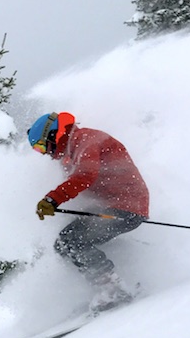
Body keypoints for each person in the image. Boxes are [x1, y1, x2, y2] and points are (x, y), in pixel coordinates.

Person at [28, 111, 149, 312]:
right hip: (115, 206)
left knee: (72, 240)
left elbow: (85, 175)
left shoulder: (85, 140)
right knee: (63, 243)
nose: (46, 154)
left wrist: (53, 199)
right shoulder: (71, 152)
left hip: (125, 206)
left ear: (53, 134)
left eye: (42, 147)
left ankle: (112, 289)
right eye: (39, 151)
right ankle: (116, 281)